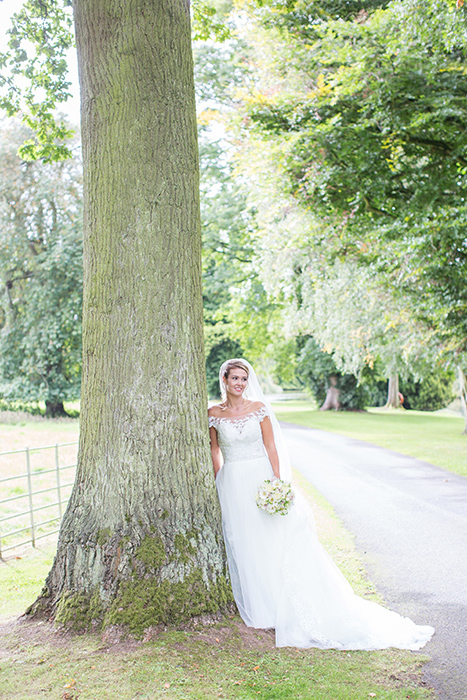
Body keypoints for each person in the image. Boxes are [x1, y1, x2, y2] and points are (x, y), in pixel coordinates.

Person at [208, 358, 434, 650]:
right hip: (232, 483)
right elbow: (215, 451)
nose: (239, 383)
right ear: (224, 380)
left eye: (243, 378)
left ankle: (282, 606)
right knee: (245, 542)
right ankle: (260, 607)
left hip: (260, 480)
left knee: (273, 540)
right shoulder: (213, 413)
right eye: (234, 378)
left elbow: (271, 447)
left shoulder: (259, 409)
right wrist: (217, 482)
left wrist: (277, 483)